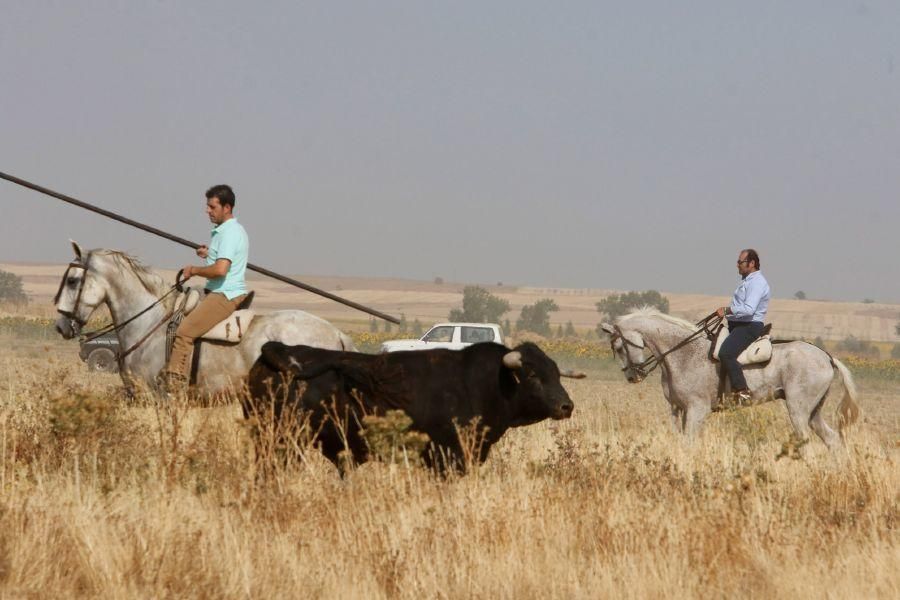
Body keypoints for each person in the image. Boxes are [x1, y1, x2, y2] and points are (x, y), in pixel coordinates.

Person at [160, 184, 248, 391]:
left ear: (227, 208)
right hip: (216, 290)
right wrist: (208, 254)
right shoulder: (226, 231)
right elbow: (222, 260)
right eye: (207, 206)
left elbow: (220, 270)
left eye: (212, 207)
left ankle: (175, 386)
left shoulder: (230, 233)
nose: (207, 210)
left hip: (225, 294)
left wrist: (194, 270)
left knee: (185, 331)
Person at [715, 248, 770, 406]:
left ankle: (742, 390)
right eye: (738, 262)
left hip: (749, 326)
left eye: (740, 262)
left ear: (752, 263)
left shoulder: (757, 283)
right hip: (738, 324)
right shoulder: (747, 281)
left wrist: (726, 310)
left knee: (726, 353)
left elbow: (748, 309)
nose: (737, 265)